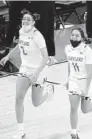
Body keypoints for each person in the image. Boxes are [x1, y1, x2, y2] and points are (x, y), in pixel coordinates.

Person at [0, 10, 54, 139]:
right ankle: (21, 131)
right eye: (24, 19)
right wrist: (8, 56)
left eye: (28, 20)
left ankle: (48, 91)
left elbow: (46, 57)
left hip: (38, 70)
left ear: (33, 22)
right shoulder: (21, 31)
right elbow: (20, 45)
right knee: (19, 98)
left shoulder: (37, 36)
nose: (25, 21)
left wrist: (36, 73)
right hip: (25, 69)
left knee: (36, 102)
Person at [64, 27, 92, 139]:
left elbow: (90, 72)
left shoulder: (87, 51)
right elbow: (70, 65)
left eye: (77, 35)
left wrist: (86, 88)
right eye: (72, 35)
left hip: (87, 80)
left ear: (82, 38)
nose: (74, 37)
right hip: (74, 80)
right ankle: (74, 133)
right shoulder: (67, 49)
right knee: (73, 107)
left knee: (85, 109)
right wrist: (68, 79)